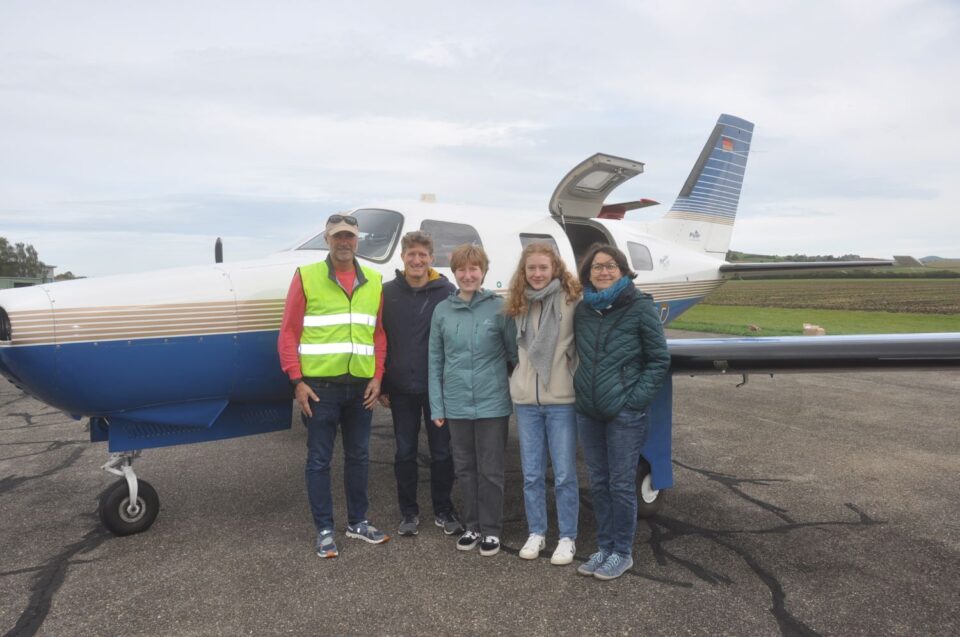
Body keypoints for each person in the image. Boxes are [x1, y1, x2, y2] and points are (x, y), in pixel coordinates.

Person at [278, 213, 390, 558]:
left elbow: (378, 334)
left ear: (358, 241)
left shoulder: (373, 279)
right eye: (338, 236)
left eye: (350, 237)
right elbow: (288, 332)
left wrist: (377, 377)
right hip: (320, 388)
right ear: (327, 239)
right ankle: (324, 529)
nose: (345, 242)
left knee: (359, 456)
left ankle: (358, 522)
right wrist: (296, 381)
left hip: (361, 388)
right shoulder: (306, 276)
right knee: (319, 460)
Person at [573, 243, 670, 580]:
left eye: (610, 266)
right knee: (598, 482)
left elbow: (659, 359)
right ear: (588, 273)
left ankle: (622, 552)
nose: (603, 271)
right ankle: (603, 547)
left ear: (623, 270)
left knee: (620, 484)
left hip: (624, 413)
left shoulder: (640, 307)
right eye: (596, 266)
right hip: (589, 409)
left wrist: (635, 399)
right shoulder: (584, 309)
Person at [428, 244, 517, 557]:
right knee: (465, 468)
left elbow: (514, 354)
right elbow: (435, 360)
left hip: (492, 403)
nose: (468, 275)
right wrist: (437, 406)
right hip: (456, 404)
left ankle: (491, 530)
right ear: (454, 273)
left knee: (491, 470)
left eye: (473, 269)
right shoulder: (442, 310)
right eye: (462, 270)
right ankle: (472, 526)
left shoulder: (499, 308)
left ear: (483, 272)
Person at [379, 231, 464, 537]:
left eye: (422, 255)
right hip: (401, 388)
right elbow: (381, 339)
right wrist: (383, 383)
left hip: (437, 388)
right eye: (411, 254)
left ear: (431, 259)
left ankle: (443, 509)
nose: (417, 260)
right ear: (402, 257)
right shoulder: (386, 293)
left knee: (442, 452)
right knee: (405, 451)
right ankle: (408, 512)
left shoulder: (446, 291)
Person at [504, 243, 582, 565]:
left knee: (564, 474)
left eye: (543, 268)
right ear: (524, 272)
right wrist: (517, 379)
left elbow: (582, 343)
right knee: (532, 474)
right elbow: (511, 347)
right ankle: (537, 531)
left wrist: (570, 369)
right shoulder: (518, 304)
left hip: (561, 398)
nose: (537, 274)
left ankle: (567, 537)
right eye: (531, 268)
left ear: (555, 269)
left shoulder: (572, 300)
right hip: (526, 400)